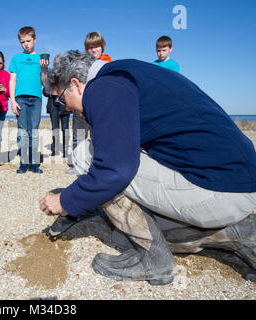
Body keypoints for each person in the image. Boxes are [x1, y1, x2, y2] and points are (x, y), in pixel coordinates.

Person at [40, 50, 256, 285]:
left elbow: (114, 170)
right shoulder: (128, 73)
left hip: (219, 191)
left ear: (76, 84)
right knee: (122, 238)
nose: (65, 108)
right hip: (236, 183)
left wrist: (65, 200)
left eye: (61, 99)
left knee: (84, 154)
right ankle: (239, 232)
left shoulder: (105, 87)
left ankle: (154, 260)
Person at [67, 32, 114, 175]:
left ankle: (97, 163)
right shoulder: (79, 65)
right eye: (90, 47)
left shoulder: (108, 63)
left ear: (102, 47)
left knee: (98, 135)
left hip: (100, 107)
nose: (93, 50)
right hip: (82, 105)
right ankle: (75, 163)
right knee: (79, 134)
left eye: (97, 47)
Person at [9, 26, 48, 174]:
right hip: (20, 99)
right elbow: (12, 80)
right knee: (23, 131)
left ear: (35, 40)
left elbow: (45, 82)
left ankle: (33, 163)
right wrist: (12, 101)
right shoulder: (16, 59)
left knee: (34, 132)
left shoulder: (41, 59)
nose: (26, 44)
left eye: (28, 41)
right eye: (22, 41)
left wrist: (44, 70)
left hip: (36, 99)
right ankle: (23, 163)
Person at [43, 86, 71, 159]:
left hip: (65, 106)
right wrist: (51, 92)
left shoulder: (66, 78)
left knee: (65, 129)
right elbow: (44, 92)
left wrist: (62, 91)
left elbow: (71, 90)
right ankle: (55, 149)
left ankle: (65, 150)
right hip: (53, 107)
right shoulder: (50, 78)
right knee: (55, 129)